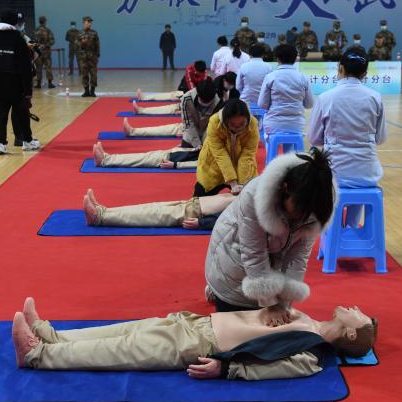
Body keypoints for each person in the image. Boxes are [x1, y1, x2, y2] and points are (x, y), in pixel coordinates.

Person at [11, 298, 377, 377]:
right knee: (123, 330)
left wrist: (227, 369)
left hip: (203, 346)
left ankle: (37, 355)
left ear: (350, 332)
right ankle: (50, 335)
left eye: (359, 315)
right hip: (197, 324)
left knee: (120, 349)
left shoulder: (313, 354)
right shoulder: (308, 320)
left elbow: (273, 369)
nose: (355, 307)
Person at [205, 149, 335, 313]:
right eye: (299, 209)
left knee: (271, 317)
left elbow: (298, 258)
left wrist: (284, 303)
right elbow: (253, 253)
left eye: (308, 212)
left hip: (269, 260)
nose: (302, 216)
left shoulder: (319, 204)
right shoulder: (255, 194)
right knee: (236, 314)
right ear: (285, 188)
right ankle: (217, 288)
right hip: (233, 255)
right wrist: (271, 305)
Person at [308, 47, 387, 228]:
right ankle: (351, 227)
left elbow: (314, 139)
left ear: (340, 68)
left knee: (328, 190)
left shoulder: (326, 97)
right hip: (367, 173)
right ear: (365, 73)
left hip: (334, 172)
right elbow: (380, 138)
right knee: (360, 184)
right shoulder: (375, 98)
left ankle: (331, 230)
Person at [0, 10, 39, 155]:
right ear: (15, 22)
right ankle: (27, 141)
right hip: (15, 84)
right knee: (22, 113)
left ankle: (0, 143)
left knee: (0, 115)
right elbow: (25, 67)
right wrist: (28, 90)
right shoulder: (17, 39)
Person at [194, 97, 259, 197]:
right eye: (232, 124)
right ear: (225, 120)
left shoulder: (253, 124)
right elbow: (219, 153)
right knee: (199, 199)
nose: (237, 128)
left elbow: (248, 154)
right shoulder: (215, 122)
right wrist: (232, 181)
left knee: (250, 197)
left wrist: (242, 183)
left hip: (242, 167)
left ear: (247, 119)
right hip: (214, 165)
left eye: (242, 124)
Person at [83, 189, 235, 230]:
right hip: (196, 204)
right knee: (148, 208)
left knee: (148, 215)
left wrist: (203, 223)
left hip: (198, 213)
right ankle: (104, 211)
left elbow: (238, 218)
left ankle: (99, 218)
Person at [123, 79, 221, 142]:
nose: (205, 103)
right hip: (193, 126)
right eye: (203, 101)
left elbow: (217, 126)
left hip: (209, 132)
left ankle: (134, 127)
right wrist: (191, 136)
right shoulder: (188, 97)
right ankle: (133, 129)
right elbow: (189, 123)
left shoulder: (219, 102)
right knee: (171, 126)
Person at [258, 44, 313, 145]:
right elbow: (309, 104)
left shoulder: (270, 77)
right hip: (296, 125)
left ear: (277, 59)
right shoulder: (303, 77)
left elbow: (262, 104)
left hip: (274, 124)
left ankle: (272, 155)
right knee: (291, 147)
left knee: (270, 142)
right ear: (295, 59)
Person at [78, 16, 99, 97]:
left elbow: (97, 44)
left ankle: (92, 91)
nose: (89, 24)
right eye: (88, 22)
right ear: (84, 23)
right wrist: (82, 43)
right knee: (84, 74)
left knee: (94, 75)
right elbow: (76, 43)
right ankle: (86, 91)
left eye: (90, 22)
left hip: (92, 57)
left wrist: (97, 55)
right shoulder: (80, 33)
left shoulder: (94, 33)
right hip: (83, 58)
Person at [33, 16, 55, 89]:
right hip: (47, 53)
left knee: (38, 68)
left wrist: (38, 45)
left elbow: (32, 42)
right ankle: (50, 83)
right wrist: (45, 45)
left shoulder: (35, 31)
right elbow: (52, 41)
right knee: (48, 67)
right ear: (45, 21)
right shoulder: (48, 31)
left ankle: (38, 84)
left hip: (38, 53)